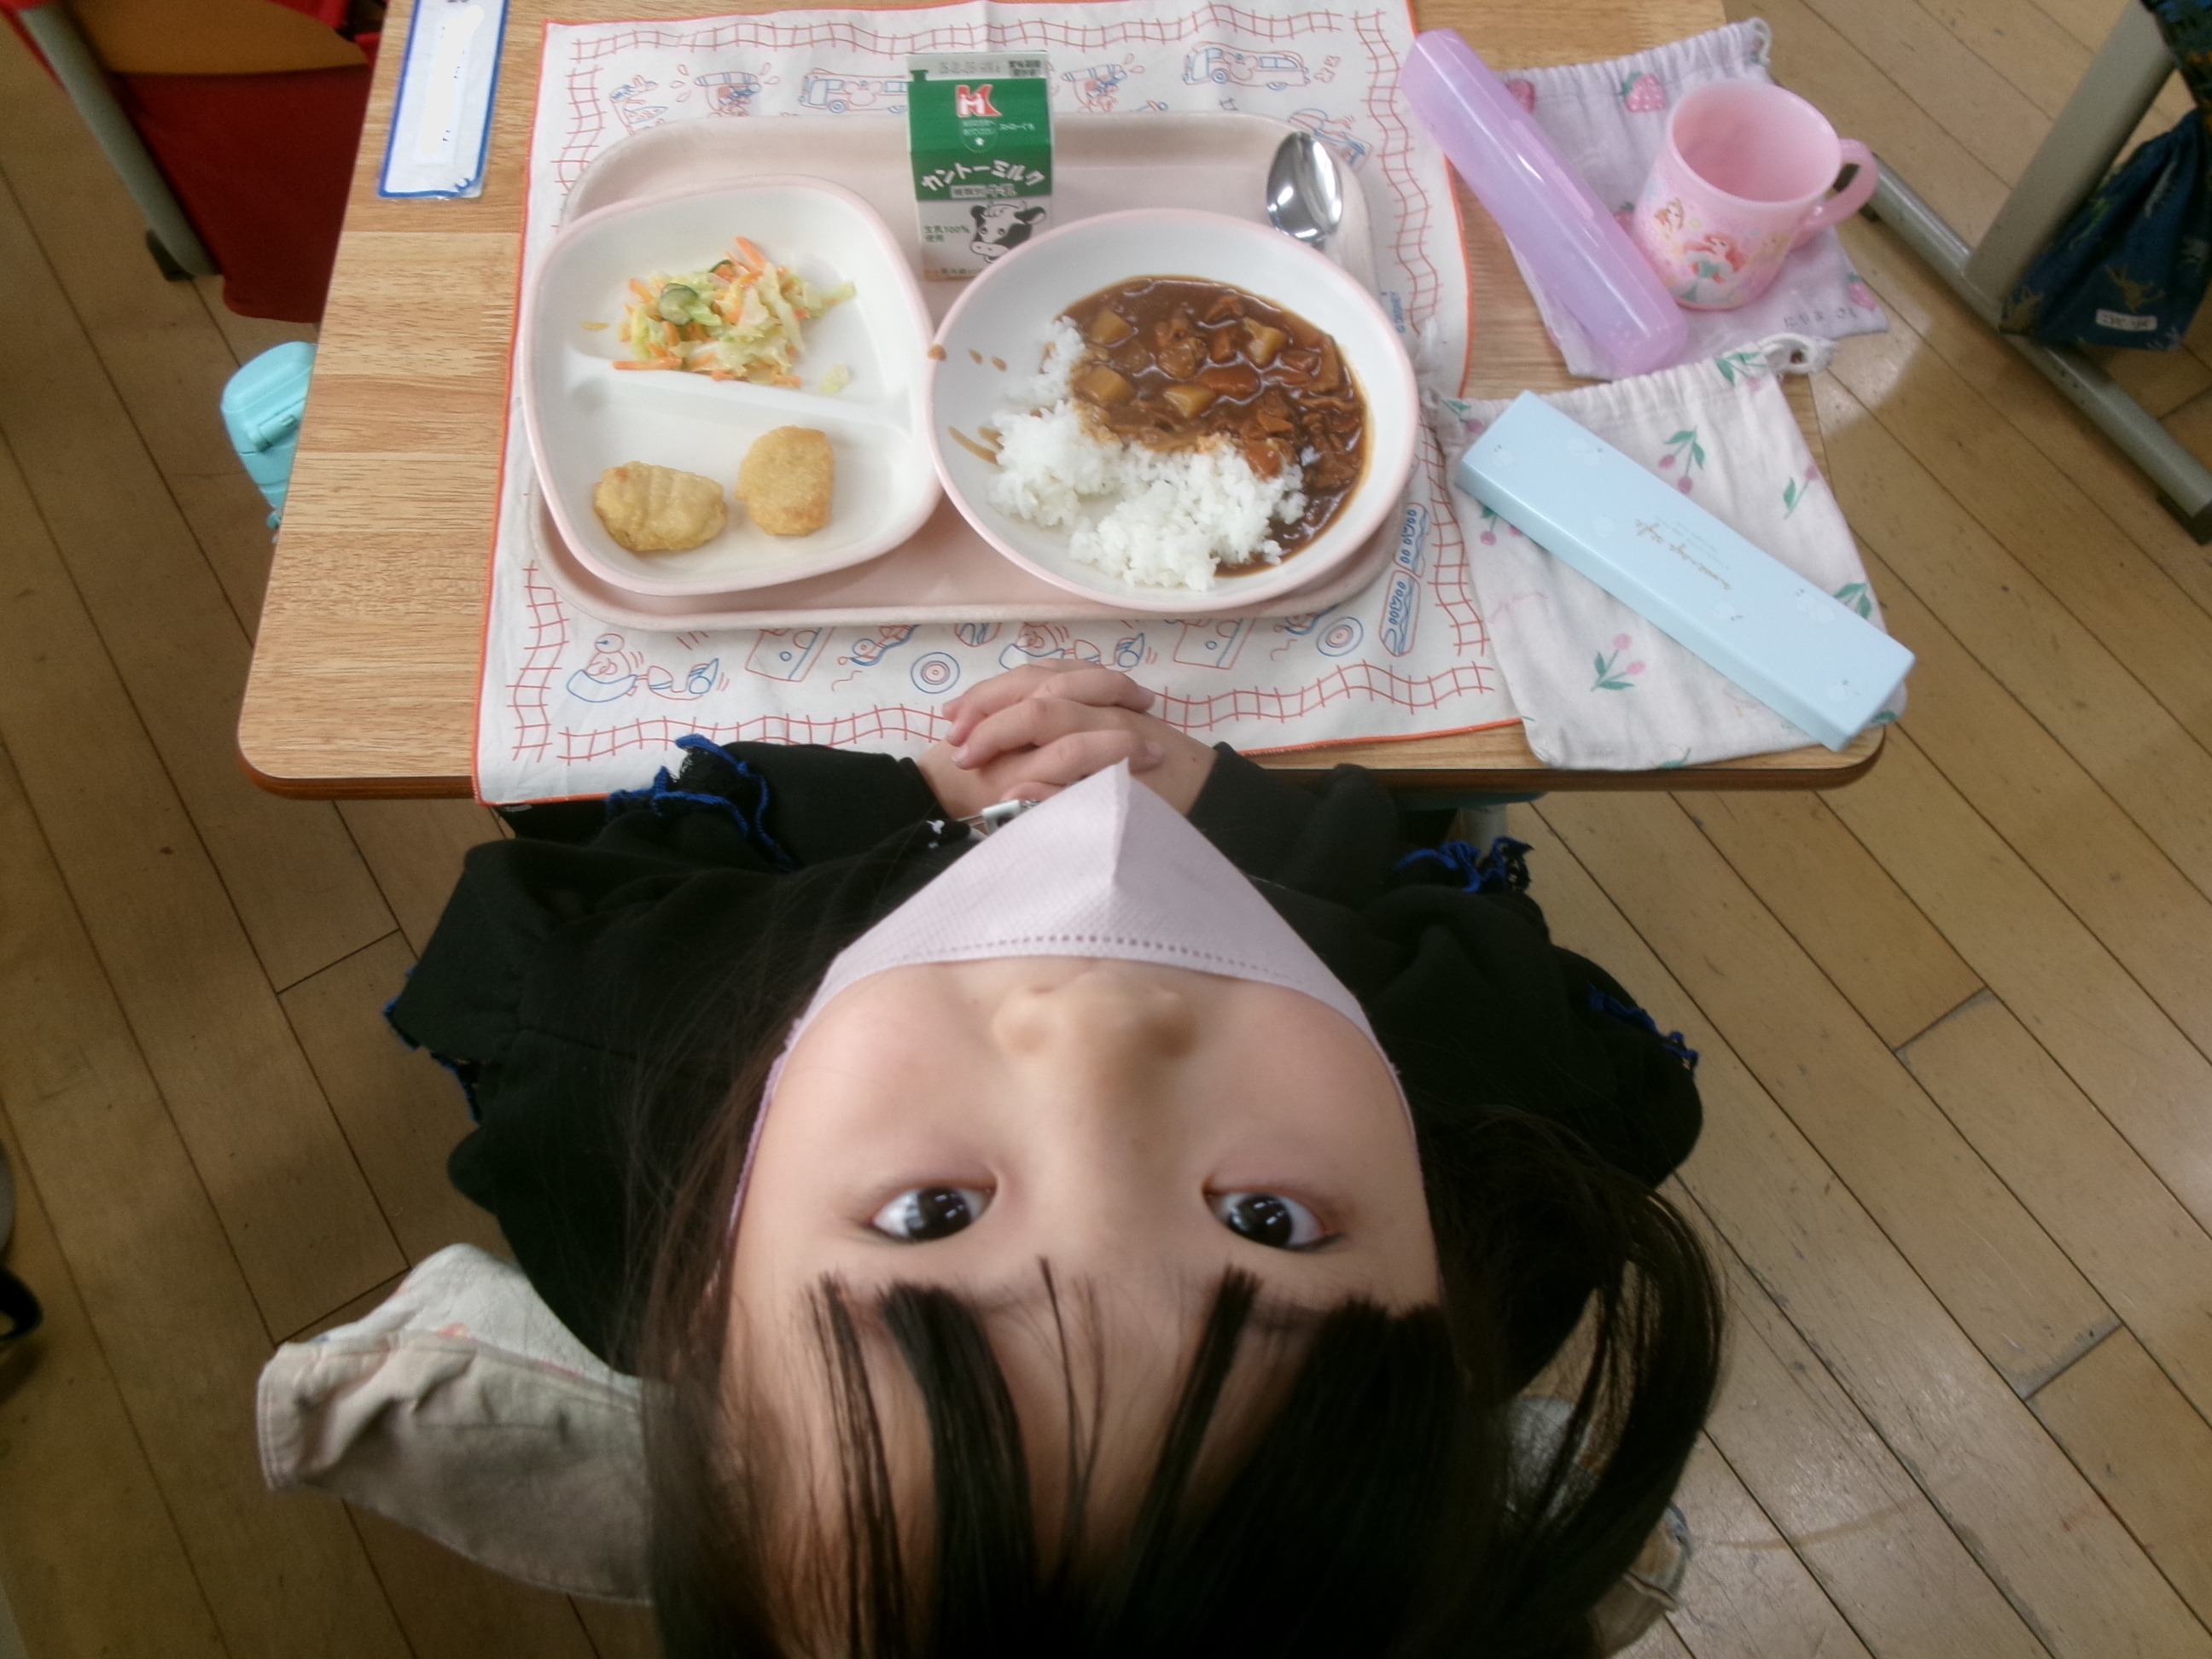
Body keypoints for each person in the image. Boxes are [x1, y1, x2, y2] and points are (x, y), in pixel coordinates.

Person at [389, 661, 1722, 1658]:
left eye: (930, 1214)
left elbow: (568, 892)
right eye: (1266, 1220)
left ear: (708, 1303)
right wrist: (1252, 828)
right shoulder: (1500, 1137)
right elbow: (1557, 1014)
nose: (1098, 1033)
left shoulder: (606, 1062)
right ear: (1451, 1296)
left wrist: (904, 812)